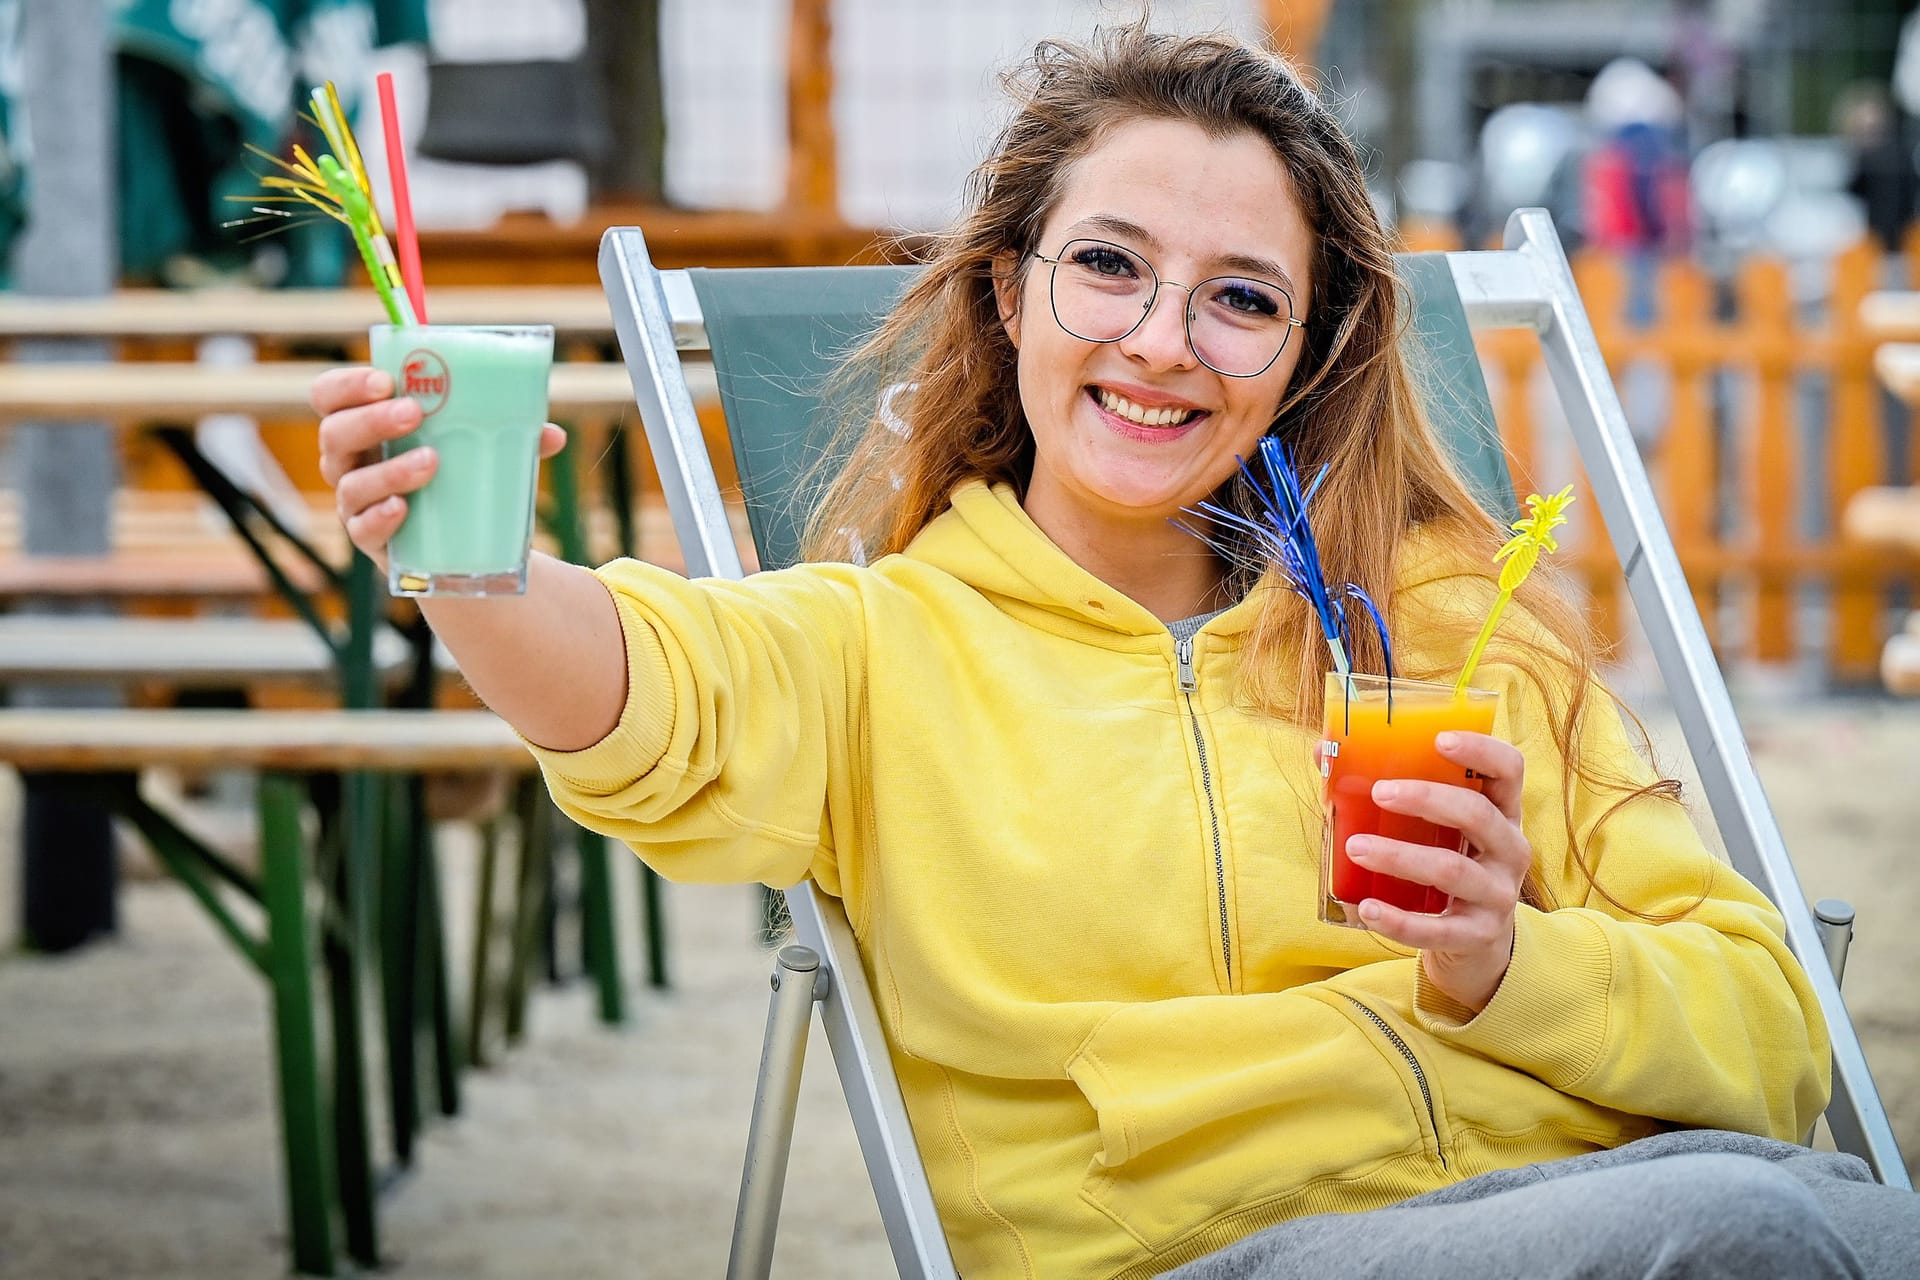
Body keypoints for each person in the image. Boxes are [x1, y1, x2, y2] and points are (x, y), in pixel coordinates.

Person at [310, 22, 1919, 1280]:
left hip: (1616, 1201)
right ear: (1010, 296)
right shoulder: (883, 652)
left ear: (1298, 361)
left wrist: (1510, 964)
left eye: (1240, 300)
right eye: (1108, 266)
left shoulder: (1436, 623)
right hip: (1208, 1253)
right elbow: (645, 692)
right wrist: (472, 558)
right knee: (1757, 1247)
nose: (1163, 342)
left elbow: (1776, 1037)